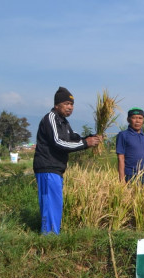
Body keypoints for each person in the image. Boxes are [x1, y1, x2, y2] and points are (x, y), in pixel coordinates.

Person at [33, 86, 102, 235]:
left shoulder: (63, 122)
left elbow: (73, 136)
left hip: (56, 169)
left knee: (56, 203)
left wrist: (90, 137)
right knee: (49, 204)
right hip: (47, 167)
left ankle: (53, 235)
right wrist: (85, 143)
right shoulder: (50, 119)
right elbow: (58, 142)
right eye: (66, 104)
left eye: (72, 105)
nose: (70, 107)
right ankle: (48, 237)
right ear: (56, 105)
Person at [116, 107, 144, 186]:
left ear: (143, 120)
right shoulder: (123, 135)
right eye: (134, 118)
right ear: (128, 120)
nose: (137, 121)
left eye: (140, 118)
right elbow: (120, 158)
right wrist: (122, 180)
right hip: (130, 176)